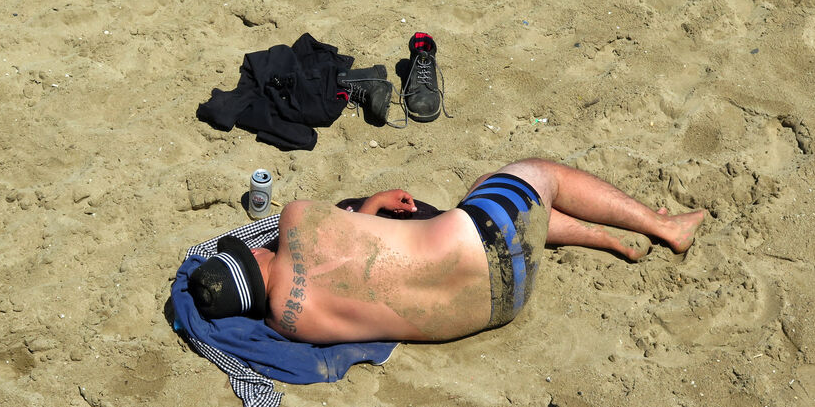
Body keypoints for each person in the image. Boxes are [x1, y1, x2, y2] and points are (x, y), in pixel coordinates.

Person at [188, 158, 705, 345]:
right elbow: (349, 240)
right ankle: (663, 226)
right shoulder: (295, 218)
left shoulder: (288, 324)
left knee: (493, 203)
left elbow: (346, 272)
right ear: (254, 258)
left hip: (498, 307)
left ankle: (601, 236)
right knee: (536, 175)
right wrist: (370, 205)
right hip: (489, 237)